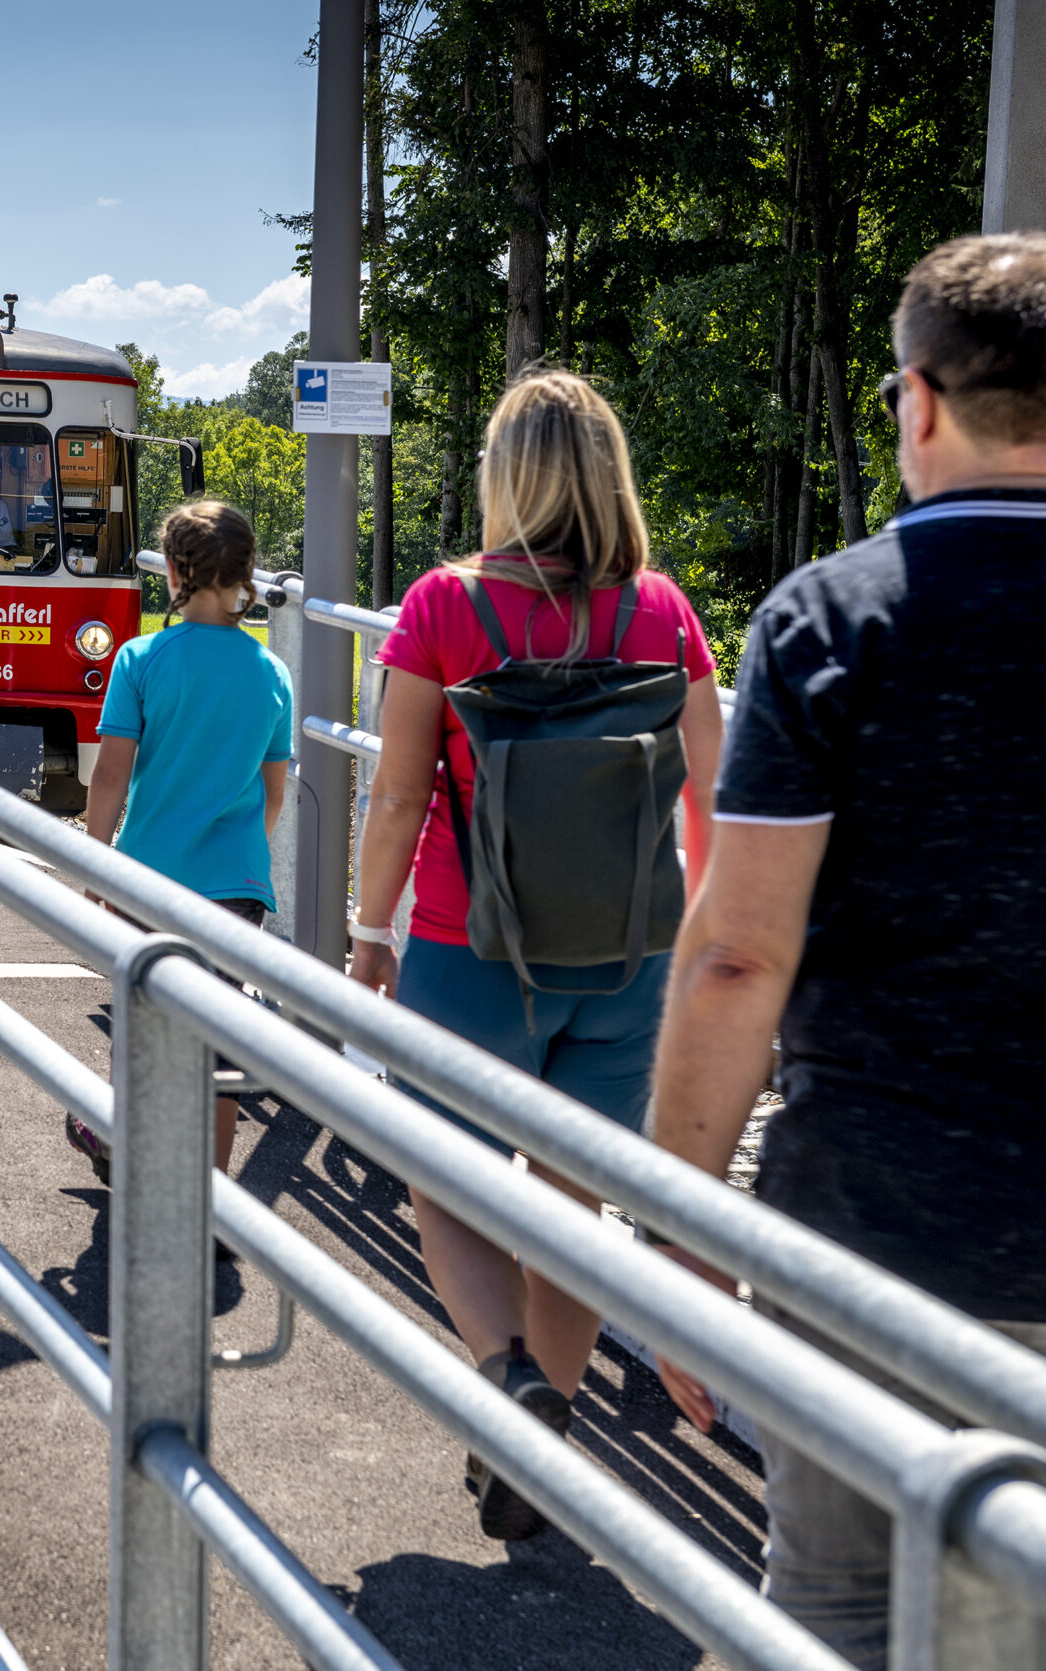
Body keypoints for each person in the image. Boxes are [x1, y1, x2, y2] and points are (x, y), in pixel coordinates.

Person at [645, 233, 1046, 1664]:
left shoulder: (832, 619)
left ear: (915, 401)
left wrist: (677, 1228)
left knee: (848, 1620)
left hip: (873, 1248)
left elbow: (738, 954)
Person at [348, 368, 723, 1541]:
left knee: (442, 1179)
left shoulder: (443, 605)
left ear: (503, 477)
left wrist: (368, 931)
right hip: (627, 961)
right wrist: (698, 946)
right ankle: (536, 1442)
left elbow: (400, 793)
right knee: (569, 1211)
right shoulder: (660, 611)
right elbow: (715, 796)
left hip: (470, 952)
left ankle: (507, 1380)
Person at [77, 500, 293, 1184]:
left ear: (172, 570)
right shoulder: (269, 672)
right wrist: (243, 849)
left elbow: (111, 775)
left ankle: (119, 1141)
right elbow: (276, 788)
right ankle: (214, 1191)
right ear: (246, 572)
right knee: (217, 1040)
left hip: (150, 876)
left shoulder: (143, 657)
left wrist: (95, 859)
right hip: (235, 886)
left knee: (141, 1021)